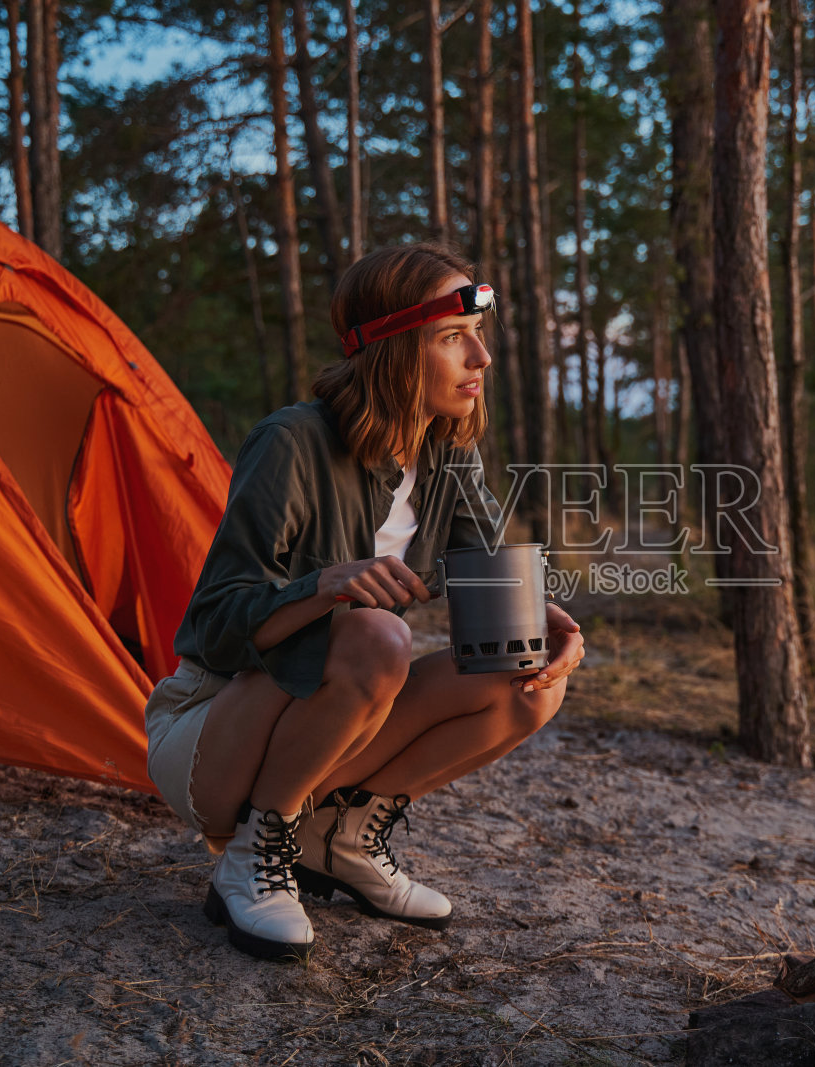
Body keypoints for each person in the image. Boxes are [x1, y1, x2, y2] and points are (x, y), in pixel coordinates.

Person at [142, 243, 585, 962]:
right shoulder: (292, 442)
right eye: (452, 339)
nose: (481, 357)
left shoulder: (448, 454)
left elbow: (489, 590)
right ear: (391, 349)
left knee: (530, 682)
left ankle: (341, 835)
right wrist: (321, 588)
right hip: (211, 728)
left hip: (331, 722)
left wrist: (544, 622)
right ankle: (255, 849)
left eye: (478, 336)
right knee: (375, 636)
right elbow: (213, 627)